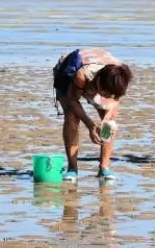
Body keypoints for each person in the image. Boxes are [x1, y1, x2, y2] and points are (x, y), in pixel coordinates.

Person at [52, 48, 133, 182]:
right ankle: (72, 169)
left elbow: (115, 102)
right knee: (72, 116)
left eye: (110, 95)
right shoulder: (82, 74)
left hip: (101, 77)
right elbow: (73, 100)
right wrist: (90, 125)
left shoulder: (120, 79)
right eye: (106, 94)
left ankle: (104, 168)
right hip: (68, 72)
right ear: (99, 83)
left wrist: (104, 122)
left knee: (110, 123)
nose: (108, 97)